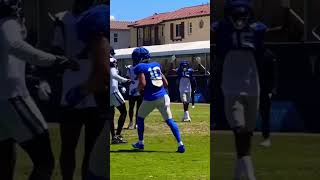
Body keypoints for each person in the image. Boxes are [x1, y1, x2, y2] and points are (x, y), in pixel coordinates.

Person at [0, 0, 78, 179]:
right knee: (45, 161)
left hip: (4, 98)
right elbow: (17, 47)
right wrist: (58, 60)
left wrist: (33, 78)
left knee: (5, 159)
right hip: (13, 97)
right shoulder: (8, 23)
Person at [51, 0, 106, 179]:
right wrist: (63, 62)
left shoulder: (97, 16)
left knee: (92, 149)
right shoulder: (63, 19)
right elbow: (56, 51)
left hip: (93, 86)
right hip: (73, 84)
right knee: (69, 146)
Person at [213, 0, 267, 179]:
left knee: (246, 137)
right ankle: (251, 177)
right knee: (240, 132)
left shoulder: (254, 31)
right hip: (233, 88)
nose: (239, 20)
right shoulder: (224, 29)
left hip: (252, 87)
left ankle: (239, 176)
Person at [76, 3, 110, 180]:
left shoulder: (96, 22)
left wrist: (80, 91)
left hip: (106, 117)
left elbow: (101, 74)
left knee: (97, 169)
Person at [131, 47, 185, 153]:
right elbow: (166, 83)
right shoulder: (156, 65)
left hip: (150, 98)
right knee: (170, 120)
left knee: (140, 118)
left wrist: (136, 91)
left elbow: (142, 83)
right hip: (163, 96)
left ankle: (141, 143)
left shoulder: (140, 67)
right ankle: (180, 144)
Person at [110, 52, 130, 144]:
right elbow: (113, 75)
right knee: (123, 111)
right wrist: (125, 80)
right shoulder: (111, 60)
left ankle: (113, 136)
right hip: (113, 91)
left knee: (111, 115)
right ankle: (117, 136)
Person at [126, 62, 143, 130]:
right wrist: (130, 80)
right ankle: (131, 122)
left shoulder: (141, 67)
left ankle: (137, 123)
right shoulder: (130, 67)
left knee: (139, 108)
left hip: (139, 89)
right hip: (132, 89)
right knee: (131, 107)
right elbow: (127, 77)